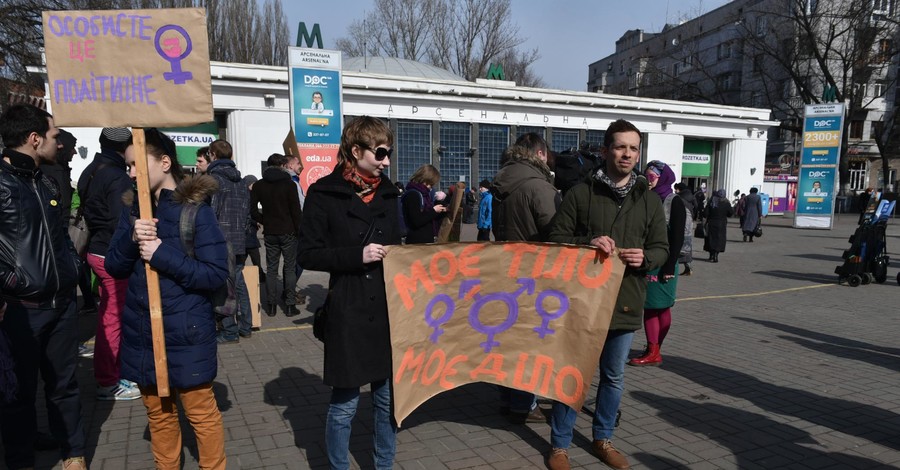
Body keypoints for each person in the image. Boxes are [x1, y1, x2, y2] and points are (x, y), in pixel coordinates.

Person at [544, 119, 668, 470]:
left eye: (633, 148)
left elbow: (662, 248)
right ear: (605, 150)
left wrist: (646, 258)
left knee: (613, 377)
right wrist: (587, 244)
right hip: (583, 304)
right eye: (620, 147)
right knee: (575, 373)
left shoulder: (648, 200)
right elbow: (554, 242)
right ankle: (559, 445)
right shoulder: (581, 192)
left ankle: (602, 438)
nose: (627, 154)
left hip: (626, 299)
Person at [105, 128, 228, 470]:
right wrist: (132, 238)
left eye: (135, 165)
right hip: (142, 333)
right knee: (158, 416)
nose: (129, 173)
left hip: (187, 331)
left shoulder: (195, 212)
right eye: (126, 166)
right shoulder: (132, 210)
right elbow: (114, 267)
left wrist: (161, 254)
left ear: (164, 162)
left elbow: (215, 274)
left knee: (201, 414)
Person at [297, 116, 401, 470]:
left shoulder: (389, 191)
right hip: (349, 309)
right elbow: (308, 253)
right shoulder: (325, 193)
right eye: (381, 152)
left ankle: (383, 465)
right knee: (345, 404)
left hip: (388, 311)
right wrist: (356, 256)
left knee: (387, 400)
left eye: (388, 153)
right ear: (356, 151)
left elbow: (401, 245)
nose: (386, 161)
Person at [0, 104, 88, 470]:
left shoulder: (48, 181)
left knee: (64, 385)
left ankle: (73, 451)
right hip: (20, 308)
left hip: (63, 303)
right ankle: (21, 460)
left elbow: (60, 239)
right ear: (35, 139)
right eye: (53, 137)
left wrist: (73, 268)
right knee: (17, 393)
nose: (60, 143)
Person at [491, 132, 559, 424]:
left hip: (504, 272)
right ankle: (524, 404)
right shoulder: (538, 187)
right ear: (541, 154)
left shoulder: (500, 183)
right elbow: (556, 232)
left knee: (509, 341)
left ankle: (509, 399)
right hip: (534, 275)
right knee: (530, 344)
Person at [78, 126, 141, 401]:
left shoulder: (90, 170)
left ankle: (112, 374)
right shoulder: (116, 177)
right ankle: (109, 380)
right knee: (114, 319)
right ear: (123, 147)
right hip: (110, 254)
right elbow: (121, 223)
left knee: (108, 314)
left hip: (95, 249)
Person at [628, 160, 686, 367]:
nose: (649, 181)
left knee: (663, 306)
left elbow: (678, 237)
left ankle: (656, 348)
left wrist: (670, 265)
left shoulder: (674, 201)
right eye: (646, 177)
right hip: (649, 258)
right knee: (650, 306)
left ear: (663, 177)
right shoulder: (645, 198)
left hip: (666, 262)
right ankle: (653, 349)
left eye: (652, 177)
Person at [205, 139, 253, 343]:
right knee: (239, 284)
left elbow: (210, 214)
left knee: (222, 287)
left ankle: (229, 330)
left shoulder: (214, 181)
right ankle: (246, 325)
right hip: (239, 239)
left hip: (220, 241)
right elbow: (247, 215)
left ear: (212, 155)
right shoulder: (241, 183)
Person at [250, 154, 302, 317]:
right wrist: (299, 231)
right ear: (282, 166)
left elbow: (251, 210)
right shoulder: (289, 184)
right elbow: (296, 212)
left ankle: (271, 306)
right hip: (288, 231)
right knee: (289, 268)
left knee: (271, 269)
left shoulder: (259, 185)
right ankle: (289, 305)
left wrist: (264, 220)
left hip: (270, 232)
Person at [402, 164, 447, 244]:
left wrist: (441, 210)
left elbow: (427, 215)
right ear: (424, 180)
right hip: (417, 241)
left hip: (424, 240)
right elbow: (417, 221)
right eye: (431, 183)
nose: (431, 187)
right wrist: (434, 210)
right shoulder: (413, 194)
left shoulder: (424, 194)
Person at [243, 175, 265, 283]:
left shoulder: (249, 194)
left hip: (249, 234)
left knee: (251, 256)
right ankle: (260, 275)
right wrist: (255, 221)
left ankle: (260, 275)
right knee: (254, 256)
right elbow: (246, 214)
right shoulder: (246, 196)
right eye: (253, 184)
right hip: (248, 233)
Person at [704, 189, 733, 262]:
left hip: (711, 223)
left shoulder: (712, 201)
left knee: (710, 239)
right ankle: (716, 255)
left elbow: (705, 213)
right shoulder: (726, 203)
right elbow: (730, 213)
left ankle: (711, 255)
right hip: (721, 224)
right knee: (719, 239)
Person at [674, 183, 696, 276]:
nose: (675, 191)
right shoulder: (691, 197)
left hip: (681, 223)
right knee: (687, 245)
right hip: (689, 223)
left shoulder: (679, 199)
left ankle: (673, 269)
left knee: (677, 246)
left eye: (676, 189)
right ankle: (688, 267)